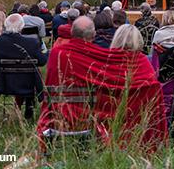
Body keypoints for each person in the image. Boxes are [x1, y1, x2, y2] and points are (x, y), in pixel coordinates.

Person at [38, 16, 167, 151]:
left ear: (72, 32)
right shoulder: (100, 56)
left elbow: (52, 86)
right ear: (93, 35)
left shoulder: (58, 53)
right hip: (90, 124)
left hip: (62, 119)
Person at [0, 14, 46, 119]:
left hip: (5, 83)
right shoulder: (32, 42)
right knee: (32, 72)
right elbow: (42, 61)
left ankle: (28, 104)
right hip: (28, 84)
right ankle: (29, 103)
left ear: (6, 25)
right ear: (22, 26)